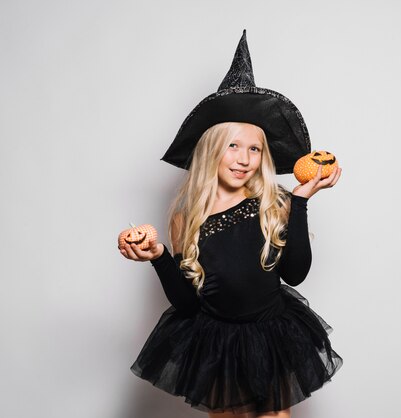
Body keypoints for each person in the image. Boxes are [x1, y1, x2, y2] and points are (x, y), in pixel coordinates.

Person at [119, 30, 343, 417]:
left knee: (275, 415)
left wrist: (300, 201)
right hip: (217, 340)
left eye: (254, 148)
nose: (244, 159)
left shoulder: (275, 204)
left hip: (271, 333)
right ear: (211, 150)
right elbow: (188, 304)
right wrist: (157, 256)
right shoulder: (184, 219)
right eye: (232, 146)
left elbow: (296, 274)